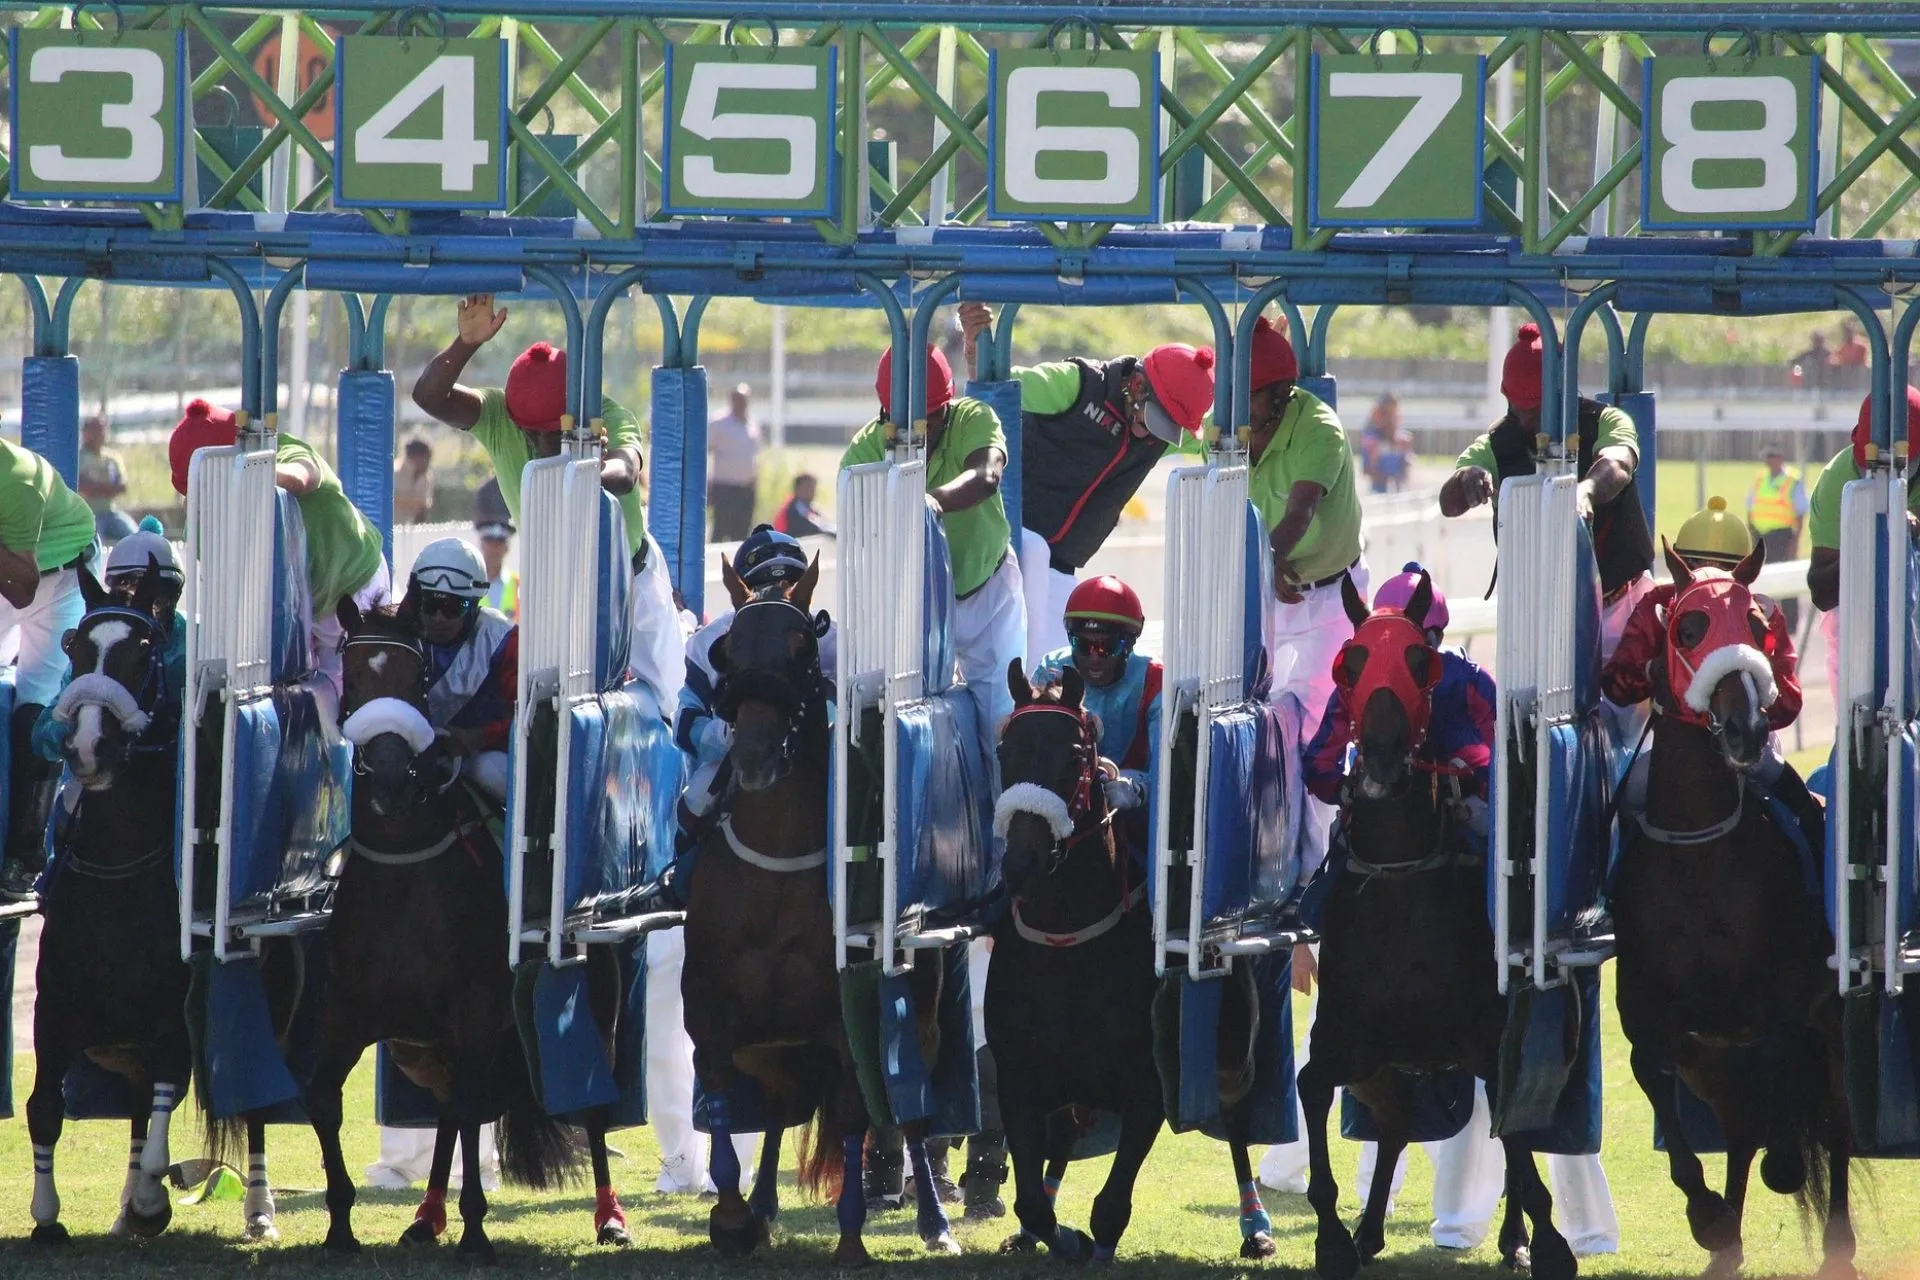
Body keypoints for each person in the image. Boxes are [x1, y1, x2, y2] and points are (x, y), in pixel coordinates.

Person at [638, 529, 817, 1195]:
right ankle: (681, 876)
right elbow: (683, 716)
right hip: (734, 750)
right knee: (697, 799)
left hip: (800, 753)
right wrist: (725, 734)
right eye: (762, 580)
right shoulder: (708, 640)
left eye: (786, 578)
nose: (774, 591)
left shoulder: (822, 628)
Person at [409, 294, 682, 719]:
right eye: (529, 432)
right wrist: (466, 344)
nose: (539, 445)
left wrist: (591, 469)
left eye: (552, 432)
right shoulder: (498, 414)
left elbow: (627, 471)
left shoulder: (608, 414)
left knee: (663, 704)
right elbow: (429, 397)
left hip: (629, 582)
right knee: (542, 705)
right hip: (556, 586)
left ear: (577, 410)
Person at [956, 302, 1212, 667]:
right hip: (1009, 546)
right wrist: (974, 350)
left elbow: (1224, 431)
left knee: (1052, 672)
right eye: (1154, 419)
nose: (1152, 434)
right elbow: (996, 385)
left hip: (1061, 568)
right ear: (1136, 385)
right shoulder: (1076, 384)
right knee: (1008, 664)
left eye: (1167, 429)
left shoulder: (1162, 432)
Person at [1605, 497, 1822, 848]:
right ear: (1680, 565)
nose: (1711, 581)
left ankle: (1815, 876)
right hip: (1671, 741)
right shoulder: (1657, 604)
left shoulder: (1763, 614)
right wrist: (1654, 670)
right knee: (1629, 795)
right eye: (1695, 566)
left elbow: (1788, 705)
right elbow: (1616, 683)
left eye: (1724, 568)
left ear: (1745, 572)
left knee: (1797, 803)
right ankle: (1610, 887)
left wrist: (1756, 691)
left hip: (1749, 740)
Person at [1440, 321, 1653, 664]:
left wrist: (1584, 492)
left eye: (1536, 410)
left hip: (1623, 608)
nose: (1525, 422)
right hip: (1540, 618)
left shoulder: (1608, 421)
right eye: (1517, 408)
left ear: (1563, 393)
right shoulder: (1495, 445)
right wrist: (1467, 479)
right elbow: (1448, 502)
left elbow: (1618, 465)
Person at [842, 343, 1025, 738]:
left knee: (1002, 725)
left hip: (987, 591)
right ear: (884, 412)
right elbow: (858, 526)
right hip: (914, 606)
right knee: (908, 721)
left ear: (950, 403)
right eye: (902, 423)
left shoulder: (975, 417)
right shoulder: (865, 448)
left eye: (929, 421)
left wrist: (928, 502)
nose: (916, 434)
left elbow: (987, 477)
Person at [1243, 314, 1365, 872]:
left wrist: (1270, 562)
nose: (1232, 409)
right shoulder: (1228, 422)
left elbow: (1300, 511)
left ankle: (1317, 885)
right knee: (1244, 715)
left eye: (1245, 397)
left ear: (1279, 394)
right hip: (1268, 587)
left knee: (1318, 738)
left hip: (1330, 597)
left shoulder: (1319, 427)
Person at [168, 400, 391, 701]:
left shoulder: (284, 450)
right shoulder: (201, 529)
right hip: (298, 609)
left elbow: (302, 476)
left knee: (351, 696)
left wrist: (246, 475)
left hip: (354, 583)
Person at [0, 436, 98, 898]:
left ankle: (25, 855)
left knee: (35, 706)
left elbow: (21, 588)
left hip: (53, 582)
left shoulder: (15, 480)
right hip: (16, 570)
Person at [30, 517, 186, 764]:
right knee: (67, 802)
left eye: (152, 591)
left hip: (175, 771)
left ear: (174, 593)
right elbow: (41, 734)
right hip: (107, 767)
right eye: (126, 588)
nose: (140, 600)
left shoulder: (190, 644)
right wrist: (64, 734)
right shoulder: (95, 646)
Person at [1807, 386, 1920, 701]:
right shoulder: (1838, 481)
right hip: (1859, 617)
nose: (1879, 473)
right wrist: (1872, 534)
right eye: (1871, 463)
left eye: (1897, 464)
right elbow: (1822, 592)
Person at [1746, 444, 1807, 633]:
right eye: (1767, 457)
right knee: (1762, 578)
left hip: (1782, 535)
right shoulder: (1760, 479)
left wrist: (1795, 541)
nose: (1770, 460)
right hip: (1760, 535)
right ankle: (1764, 618)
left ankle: (1790, 624)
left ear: (1780, 458)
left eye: (1773, 456)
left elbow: (1800, 512)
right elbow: (1751, 505)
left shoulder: (1792, 480)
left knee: (1786, 578)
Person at [707, 383, 763, 542]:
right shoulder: (719, 423)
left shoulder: (752, 423)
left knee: (742, 531)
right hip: (725, 486)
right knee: (721, 528)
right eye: (737, 399)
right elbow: (706, 450)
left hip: (746, 488)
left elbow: (755, 454)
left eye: (744, 399)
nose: (741, 403)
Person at [77, 416, 137, 543]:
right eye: (95, 430)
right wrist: (106, 487)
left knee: (135, 536)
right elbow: (83, 487)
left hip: (110, 512)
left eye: (102, 429)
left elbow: (122, 486)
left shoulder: (112, 458)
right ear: (85, 433)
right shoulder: (79, 458)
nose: (100, 434)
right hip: (89, 515)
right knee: (96, 542)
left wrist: (97, 487)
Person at [476, 519, 518, 621]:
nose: (494, 549)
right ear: (481, 545)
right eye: (490, 542)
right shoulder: (469, 583)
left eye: (499, 543)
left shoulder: (519, 585)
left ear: (507, 547)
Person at [772, 473, 834, 538]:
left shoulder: (810, 510)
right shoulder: (790, 510)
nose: (812, 491)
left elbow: (822, 524)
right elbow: (804, 528)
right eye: (808, 488)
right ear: (797, 489)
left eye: (813, 488)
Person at [393, 438, 435, 525]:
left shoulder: (426, 477)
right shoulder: (394, 473)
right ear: (415, 457)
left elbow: (426, 504)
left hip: (412, 530)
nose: (427, 463)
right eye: (425, 458)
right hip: (392, 529)